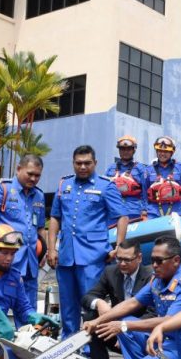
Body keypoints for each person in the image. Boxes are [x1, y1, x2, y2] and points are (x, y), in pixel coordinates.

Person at [48, 145, 129, 339]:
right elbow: (55, 218)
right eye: (78, 163)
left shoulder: (106, 185)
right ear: (73, 163)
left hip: (93, 255)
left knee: (90, 303)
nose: (83, 167)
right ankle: (67, 345)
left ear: (95, 163)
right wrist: (51, 248)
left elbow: (122, 217)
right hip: (66, 255)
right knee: (67, 304)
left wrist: (118, 246)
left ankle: (89, 348)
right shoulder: (64, 185)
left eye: (87, 163)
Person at [80, 239, 155, 359]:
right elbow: (87, 297)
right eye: (118, 259)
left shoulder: (150, 276)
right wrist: (99, 303)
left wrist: (126, 330)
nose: (122, 263)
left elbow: (153, 314)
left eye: (127, 260)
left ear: (139, 258)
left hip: (139, 332)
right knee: (91, 314)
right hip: (114, 331)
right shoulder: (111, 272)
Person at [0, 154, 46, 309]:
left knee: (29, 317)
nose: (33, 179)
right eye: (30, 174)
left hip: (30, 266)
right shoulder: (2, 188)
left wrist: (43, 252)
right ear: (18, 169)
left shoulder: (39, 195)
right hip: (5, 263)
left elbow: (40, 227)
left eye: (37, 175)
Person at [145, 136, 181, 218]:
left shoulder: (180, 168)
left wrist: (180, 204)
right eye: (160, 151)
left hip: (176, 211)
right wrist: (145, 210)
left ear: (172, 152)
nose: (162, 154)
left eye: (166, 151)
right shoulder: (149, 170)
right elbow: (144, 192)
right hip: (154, 212)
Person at [106, 135, 148, 220]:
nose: (125, 151)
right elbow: (105, 190)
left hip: (133, 212)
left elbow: (145, 192)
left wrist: (145, 210)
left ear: (134, 150)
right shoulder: (111, 168)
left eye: (129, 149)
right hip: (113, 210)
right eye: (122, 149)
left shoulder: (140, 169)